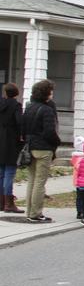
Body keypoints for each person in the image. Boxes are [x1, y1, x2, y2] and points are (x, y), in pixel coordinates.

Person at [23, 80, 59, 223]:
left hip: (30, 146)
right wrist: (56, 142)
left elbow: (23, 128)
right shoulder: (47, 110)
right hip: (44, 148)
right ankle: (36, 213)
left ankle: (29, 211)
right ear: (46, 93)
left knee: (32, 180)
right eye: (51, 91)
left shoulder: (29, 107)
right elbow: (49, 132)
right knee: (40, 182)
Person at [0, 83, 23, 213]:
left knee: (1, 173)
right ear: (16, 93)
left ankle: (1, 202)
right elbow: (19, 122)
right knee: (9, 172)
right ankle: (9, 203)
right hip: (10, 142)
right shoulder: (16, 105)